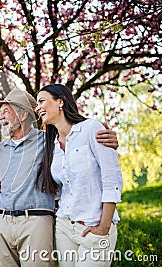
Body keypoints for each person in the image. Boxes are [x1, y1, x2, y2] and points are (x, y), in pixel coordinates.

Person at [0, 89, 119, 267]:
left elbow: (109, 175)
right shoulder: (3, 149)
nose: (0, 117)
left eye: (5, 111)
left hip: (49, 221)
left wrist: (110, 138)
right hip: (45, 224)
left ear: (22, 114)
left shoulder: (53, 139)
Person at [35, 84, 123, 267]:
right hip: (65, 227)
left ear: (60, 101)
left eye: (42, 101)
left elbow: (111, 178)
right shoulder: (51, 144)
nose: (38, 108)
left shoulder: (92, 128)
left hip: (94, 225)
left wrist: (104, 227)